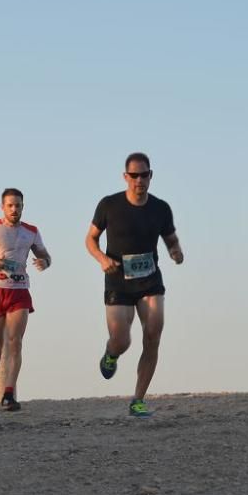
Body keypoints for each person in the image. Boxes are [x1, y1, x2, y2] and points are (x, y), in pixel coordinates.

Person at [85, 153, 184, 418]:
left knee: (153, 335)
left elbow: (171, 239)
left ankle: (138, 400)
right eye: (134, 175)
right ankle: (110, 353)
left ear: (151, 176)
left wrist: (176, 251)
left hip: (150, 280)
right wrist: (102, 259)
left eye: (144, 175)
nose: (139, 180)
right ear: (125, 177)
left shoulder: (161, 208)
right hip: (118, 280)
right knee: (122, 339)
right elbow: (90, 240)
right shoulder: (109, 205)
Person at [0, 188, 51, 411]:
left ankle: (9, 393)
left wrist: (44, 262)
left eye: (18, 205)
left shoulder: (31, 231)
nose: (14, 209)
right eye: (10, 205)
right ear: (2, 207)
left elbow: (46, 255)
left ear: (23, 207)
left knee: (15, 342)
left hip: (19, 291)